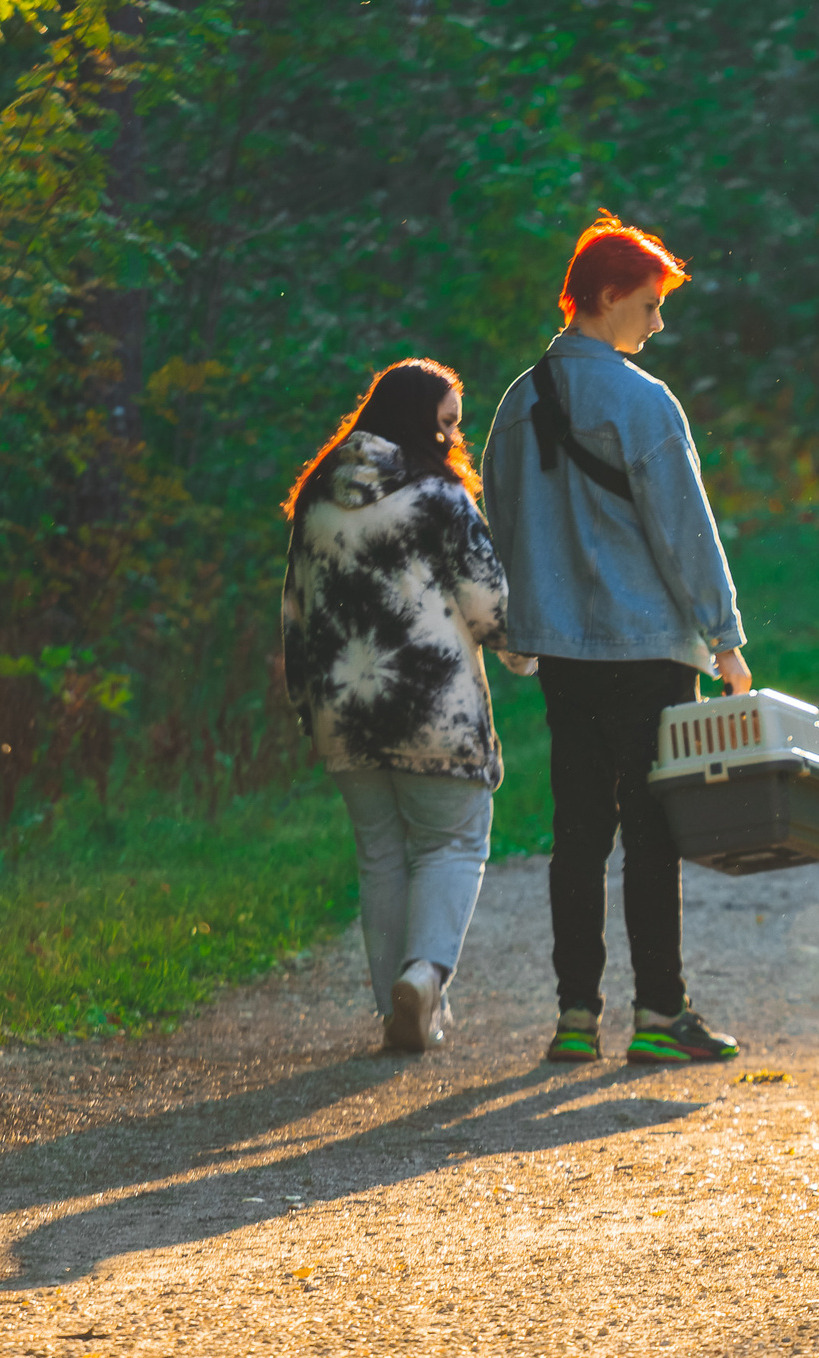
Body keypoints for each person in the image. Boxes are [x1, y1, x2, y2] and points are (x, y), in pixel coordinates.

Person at [483, 210, 749, 1066]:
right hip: (646, 650)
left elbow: (503, 523)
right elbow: (684, 530)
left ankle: (573, 1018)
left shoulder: (518, 403)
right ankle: (660, 1018)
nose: (658, 322)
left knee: (579, 831)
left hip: (565, 654)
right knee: (653, 833)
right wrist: (725, 637)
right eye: (649, 303)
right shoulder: (643, 403)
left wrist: (520, 629)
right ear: (603, 297)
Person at [280, 357, 522, 1054]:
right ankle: (424, 976)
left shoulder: (316, 496)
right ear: (415, 421)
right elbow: (488, 601)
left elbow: (293, 612)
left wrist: (304, 697)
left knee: (380, 855)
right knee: (453, 840)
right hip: (433, 708)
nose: (452, 439)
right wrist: (522, 653)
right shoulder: (437, 496)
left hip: (343, 709)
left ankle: (399, 1009)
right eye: (444, 423)